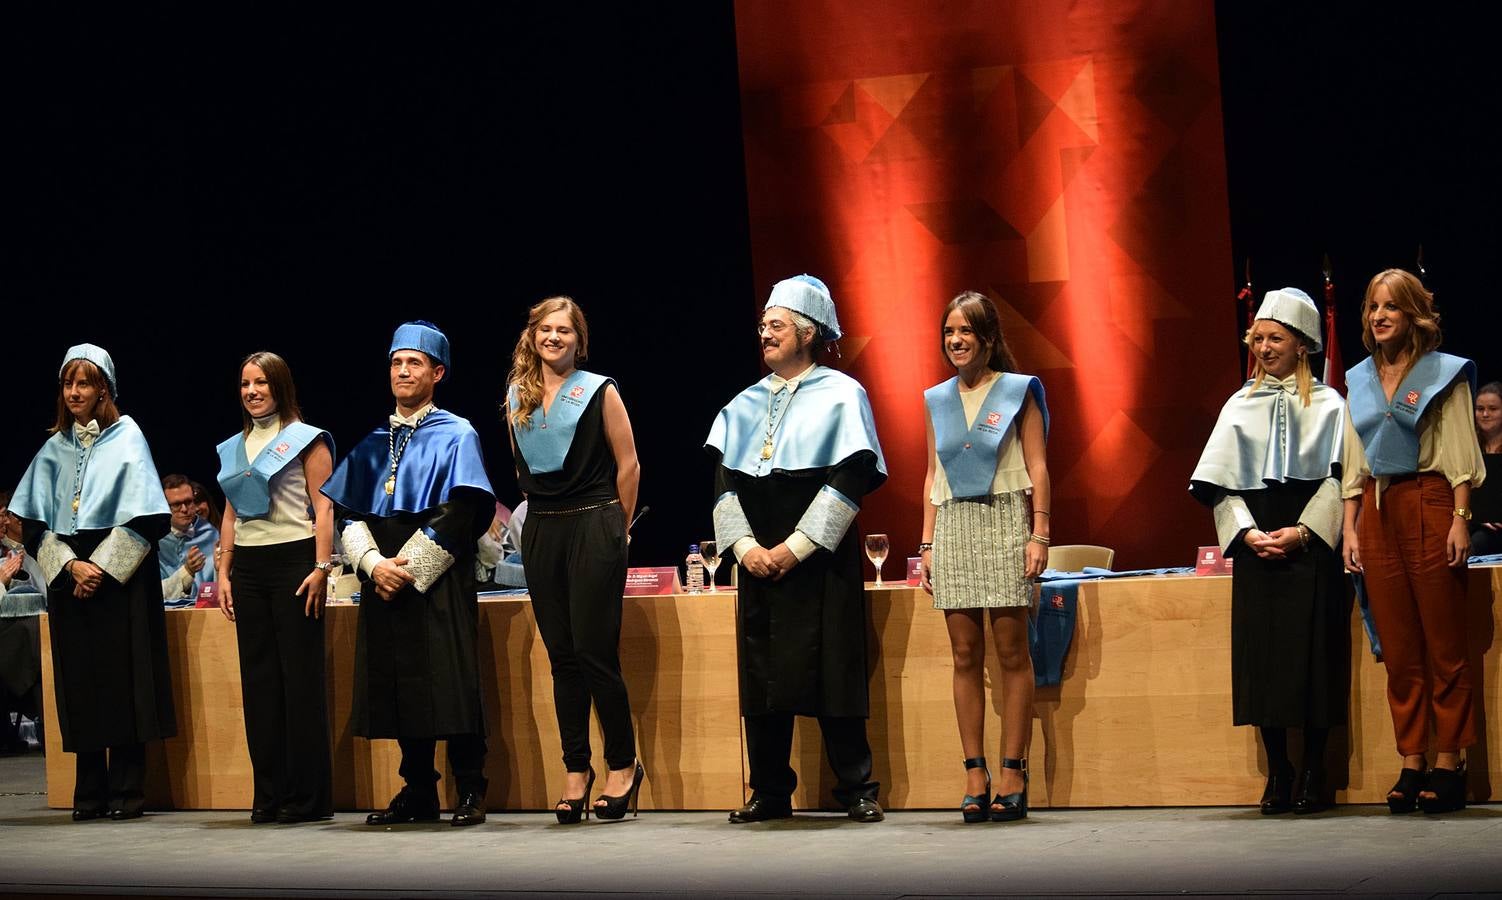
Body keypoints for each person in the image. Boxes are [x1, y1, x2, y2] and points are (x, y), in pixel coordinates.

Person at [706, 275, 888, 824]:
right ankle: (768, 789)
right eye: (762, 325)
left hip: (816, 558)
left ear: (807, 333)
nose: (764, 333)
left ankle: (855, 788)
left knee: (832, 666)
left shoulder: (842, 394)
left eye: (776, 325)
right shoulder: (741, 404)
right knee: (761, 676)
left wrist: (797, 547)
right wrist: (742, 545)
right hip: (757, 554)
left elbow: (850, 476)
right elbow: (722, 483)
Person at [322, 321, 496, 828]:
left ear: (437, 373)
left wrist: (410, 568)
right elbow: (350, 513)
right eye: (396, 363)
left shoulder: (457, 432)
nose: (402, 371)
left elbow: (463, 510)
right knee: (402, 683)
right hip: (384, 576)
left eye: (414, 363)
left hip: (437, 577)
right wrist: (375, 565)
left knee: (451, 679)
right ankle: (418, 789)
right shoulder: (375, 440)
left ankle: (470, 788)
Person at [1190, 288, 1349, 815]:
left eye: (1274, 338)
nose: (1262, 347)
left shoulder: (1329, 404)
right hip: (1257, 550)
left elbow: (1341, 479)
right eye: (1256, 338)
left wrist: (1304, 532)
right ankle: (1278, 770)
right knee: (1264, 663)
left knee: (1315, 658)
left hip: (1311, 550)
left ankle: (1313, 771)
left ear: (1302, 344)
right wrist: (1246, 533)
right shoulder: (1239, 404)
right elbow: (1219, 485)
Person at [8, 344, 175, 820]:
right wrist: (70, 567)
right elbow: (35, 525)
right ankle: (88, 792)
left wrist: (99, 567)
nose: (75, 392)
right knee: (81, 684)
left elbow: (147, 519)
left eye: (84, 383)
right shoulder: (53, 449)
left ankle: (126, 791)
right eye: (68, 384)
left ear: (104, 387)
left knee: (123, 680)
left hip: (119, 582)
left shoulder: (128, 437)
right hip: (71, 583)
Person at [1341, 269, 1486, 815]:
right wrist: (1350, 526)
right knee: (1400, 649)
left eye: (1391, 308)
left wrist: (1459, 516)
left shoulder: (1443, 375)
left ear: (1413, 316)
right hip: (1376, 510)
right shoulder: (1358, 379)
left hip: (1430, 501)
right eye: (1373, 306)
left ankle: (1449, 760)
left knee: (1444, 645)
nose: (1379, 316)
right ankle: (1412, 759)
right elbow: (1355, 458)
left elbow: (1460, 453)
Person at [506, 296, 643, 822]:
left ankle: (622, 765)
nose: (554, 338)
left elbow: (628, 465)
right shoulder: (518, 395)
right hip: (542, 526)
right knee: (561, 655)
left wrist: (618, 528)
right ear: (533, 335)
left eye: (564, 330)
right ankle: (575, 770)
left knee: (594, 653)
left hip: (594, 521)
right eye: (546, 329)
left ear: (578, 340)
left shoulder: (600, 391)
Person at [917, 290, 1050, 823]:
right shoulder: (936, 399)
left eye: (967, 331)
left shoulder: (1018, 392)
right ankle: (975, 771)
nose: (956, 340)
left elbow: (1038, 467)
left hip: (1005, 521)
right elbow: (931, 475)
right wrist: (925, 544)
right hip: (953, 526)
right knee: (965, 655)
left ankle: (1014, 769)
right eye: (949, 331)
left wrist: (1039, 533)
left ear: (988, 338)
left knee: (1012, 651)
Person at [215, 351, 336, 823]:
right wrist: (223, 572)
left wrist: (322, 567)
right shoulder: (232, 447)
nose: (252, 391)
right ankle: (269, 794)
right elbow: (229, 514)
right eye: (245, 383)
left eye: (261, 382)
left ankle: (308, 799)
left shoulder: (306, 440)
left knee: (299, 683)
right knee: (260, 684)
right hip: (248, 567)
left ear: (279, 386)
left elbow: (323, 508)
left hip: (294, 562)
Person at [0, 491, 47, 753]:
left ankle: (49, 722)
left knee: (38, 632)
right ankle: (45, 719)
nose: (5, 522)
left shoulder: (26, 550)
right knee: (35, 633)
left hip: (19, 634)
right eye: (3, 515)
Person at [158, 474, 218, 608]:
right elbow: (152, 592)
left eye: (189, 502)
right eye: (176, 504)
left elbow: (218, 588)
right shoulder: (154, 540)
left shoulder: (210, 534)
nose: (185, 509)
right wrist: (187, 572)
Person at [1470, 381, 1502, 555]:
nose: (1485, 414)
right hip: (1474, 520)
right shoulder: (1468, 447)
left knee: (1479, 541)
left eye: (1492, 409)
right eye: (1479, 408)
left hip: (1497, 526)